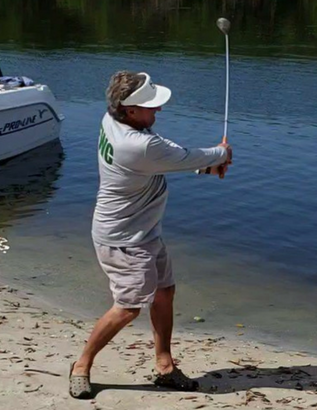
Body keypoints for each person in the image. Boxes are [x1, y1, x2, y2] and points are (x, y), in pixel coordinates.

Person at [68, 71, 232, 399]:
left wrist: (205, 166)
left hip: (143, 231)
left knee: (164, 292)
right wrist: (219, 155)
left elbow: (165, 159)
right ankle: (81, 366)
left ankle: (165, 366)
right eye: (151, 107)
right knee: (129, 307)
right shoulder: (137, 144)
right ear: (129, 110)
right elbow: (178, 156)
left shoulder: (114, 119)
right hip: (123, 239)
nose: (158, 112)